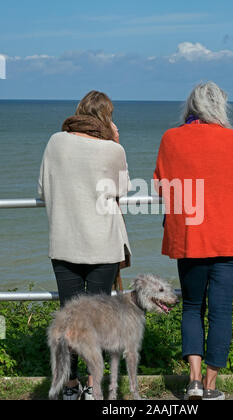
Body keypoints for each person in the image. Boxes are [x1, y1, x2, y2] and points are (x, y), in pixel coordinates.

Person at [153, 82, 233, 400]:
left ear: (190, 108)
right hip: (229, 237)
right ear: (220, 108)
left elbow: (162, 187)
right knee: (221, 310)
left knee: (191, 306)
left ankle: (194, 382)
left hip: (190, 238)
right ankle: (212, 386)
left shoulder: (171, 139)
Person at [38, 90, 131, 400]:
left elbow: (42, 188)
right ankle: (92, 386)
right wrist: (115, 141)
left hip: (65, 243)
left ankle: (69, 385)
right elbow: (124, 189)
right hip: (103, 246)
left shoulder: (55, 142)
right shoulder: (111, 149)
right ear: (106, 118)